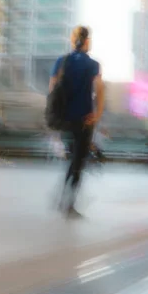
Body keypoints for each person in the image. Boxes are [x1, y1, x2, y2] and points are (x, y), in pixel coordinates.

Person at [49, 26, 105, 218]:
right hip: (84, 119)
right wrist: (97, 114)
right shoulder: (93, 65)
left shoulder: (61, 62)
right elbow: (100, 89)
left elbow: (52, 89)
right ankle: (68, 203)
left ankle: (63, 198)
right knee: (78, 162)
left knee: (73, 160)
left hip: (64, 120)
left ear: (73, 41)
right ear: (87, 41)